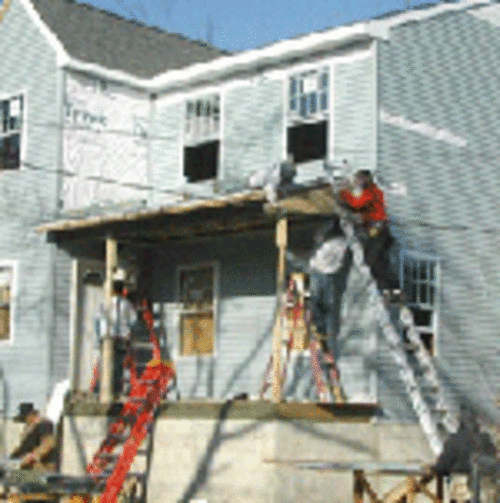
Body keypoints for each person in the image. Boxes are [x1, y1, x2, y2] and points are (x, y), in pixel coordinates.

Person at [339, 169, 400, 297]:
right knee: (379, 261)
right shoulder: (374, 191)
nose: (358, 183)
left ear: (367, 179)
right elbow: (358, 207)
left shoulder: (372, 192)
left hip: (377, 229)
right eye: (357, 180)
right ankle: (388, 289)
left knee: (369, 257)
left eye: (360, 180)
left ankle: (385, 287)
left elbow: (357, 204)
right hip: (380, 229)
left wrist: (343, 193)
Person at [308, 215, 351, 361]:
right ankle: (325, 345)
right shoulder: (341, 241)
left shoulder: (334, 241)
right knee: (327, 310)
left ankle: (325, 344)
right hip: (327, 274)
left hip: (324, 274)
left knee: (324, 308)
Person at [10, 403, 59, 472]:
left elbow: (48, 443)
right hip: (25, 467)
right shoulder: (31, 429)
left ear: (31, 415)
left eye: (24, 419)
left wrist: (32, 456)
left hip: (40, 467)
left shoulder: (44, 424)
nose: (25, 422)